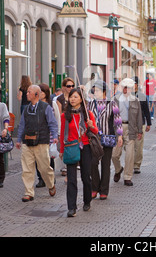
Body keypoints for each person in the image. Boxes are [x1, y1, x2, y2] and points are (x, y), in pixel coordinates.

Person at [60, 88, 99, 217]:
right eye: (71, 97)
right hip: (71, 147)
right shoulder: (65, 115)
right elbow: (62, 135)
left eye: (76, 97)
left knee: (86, 177)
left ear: (81, 99)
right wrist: (61, 150)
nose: (72, 99)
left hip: (85, 147)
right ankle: (72, 207)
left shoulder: (88, 114)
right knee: (71, 179)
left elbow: (95, 132)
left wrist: (91, 125)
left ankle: (87, 201)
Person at [16, 85, 58, 202]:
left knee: (44, 168)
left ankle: (50, 184)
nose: (26, 94)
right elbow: (22, 125)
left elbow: (52, 123)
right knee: (27, 168)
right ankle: (28, 192)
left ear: (36, 94)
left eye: (29, 92)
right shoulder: (26, 109)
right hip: (27, 142)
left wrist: (55, 136)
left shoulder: (46, 108)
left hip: (42, 142)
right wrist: (19, 140)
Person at [88, 80, 123, 200]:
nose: (95, 93)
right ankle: (94, 187)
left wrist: (120, 136)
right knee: (93, 163)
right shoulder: (90, 104)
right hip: (93, 138)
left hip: (107, 138)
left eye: (97, 90)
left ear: (103, 91)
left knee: (105, 164)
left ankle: (104, 190)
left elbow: (117, 121)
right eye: (94, 90)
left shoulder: (112, 103)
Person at [112, 78, 143, 186]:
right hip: (118, 129)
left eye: (128, 88)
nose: (126, 89)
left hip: (131, 128)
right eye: (125, 87)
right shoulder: (115, 99)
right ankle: (118, 169)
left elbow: (139, 117)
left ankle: (127, 176)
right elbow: (111, 116)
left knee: (130, 154)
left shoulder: (135, 100)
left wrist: (140, 131)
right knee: (114, 155)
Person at [35, 83, 61, 188]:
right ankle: (41, 178)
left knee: (49, 157)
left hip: (50, 135)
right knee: (38, 158)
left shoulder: (52, 104)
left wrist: (57, 133)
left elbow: (57, 119)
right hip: (37, 135)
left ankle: (50, 177)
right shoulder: (35, 104)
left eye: (42, 92)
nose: (40, 94)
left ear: (46, 93)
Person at [56, 77, 75, 177]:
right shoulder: (60, 99)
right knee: (64, 144)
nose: (71, 88)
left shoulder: (76, 97)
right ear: (64, 87)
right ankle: (64, 166)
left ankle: (73, 163)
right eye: (68, 86)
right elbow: (59, 114)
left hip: (74, 125)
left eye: (72, 86)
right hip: (65, 124)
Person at [133, 76, 151, 174]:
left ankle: (137, 165)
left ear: (137, 85)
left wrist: (149, 123)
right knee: (130, 146)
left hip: (141, 123)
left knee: (139, 146)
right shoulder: (126, 96)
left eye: (134, 83)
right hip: (130, 124)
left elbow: (146, 110)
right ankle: (130, 163)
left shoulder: (142, 96)